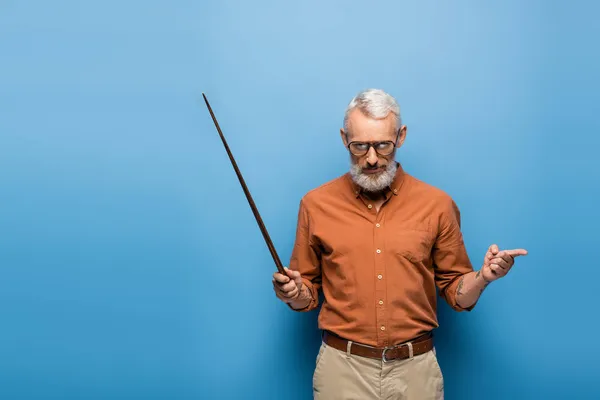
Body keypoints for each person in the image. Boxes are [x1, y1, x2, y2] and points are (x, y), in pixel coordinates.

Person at [272, 88, 527, 399]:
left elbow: (457, 293)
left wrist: (484, 278)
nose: (371, 158)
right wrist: (293, 293)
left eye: (382, 145)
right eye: (359, 146)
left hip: (415, 372)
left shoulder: (437, 205)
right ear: (343, 138)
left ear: (401, 136)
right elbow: (305, 296)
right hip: (342, 371)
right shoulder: (315, 204)